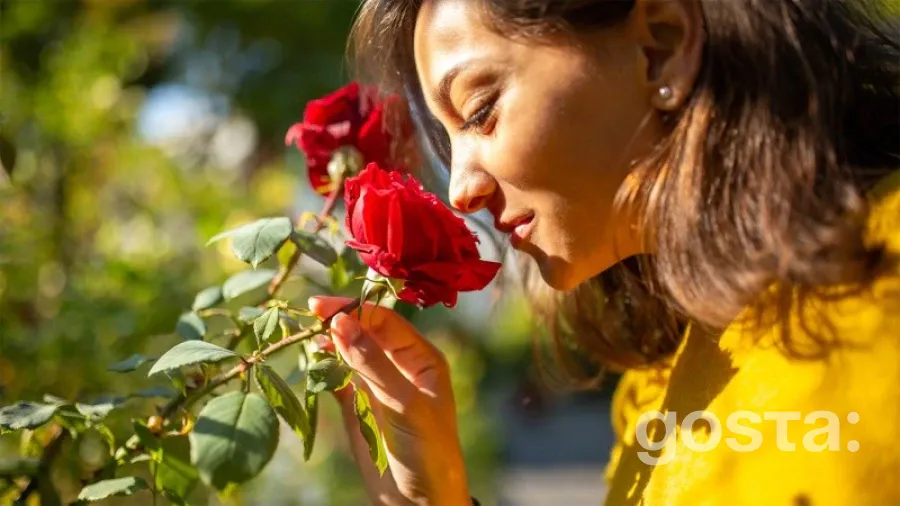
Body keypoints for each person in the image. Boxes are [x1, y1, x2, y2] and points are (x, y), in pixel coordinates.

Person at [307, 0, 900, 504]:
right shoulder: (655, 383)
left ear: (661, 47)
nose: (461, 190)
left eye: (481, 112)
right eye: (449, 137)